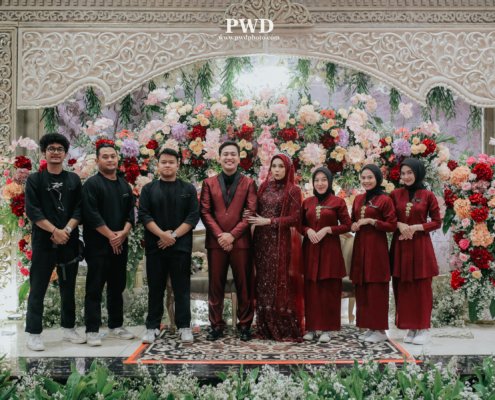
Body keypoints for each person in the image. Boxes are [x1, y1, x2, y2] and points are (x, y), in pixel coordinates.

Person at [24, 133, 86, 351]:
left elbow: (80, 209)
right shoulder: (35, 180)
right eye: (51, 148)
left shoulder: (73, 180)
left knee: (68, 287)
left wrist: (66, 230)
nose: (56, 152)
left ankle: (68, 329)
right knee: (38, 287)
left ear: (65, 153)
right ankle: (33, 333)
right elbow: (33, 211)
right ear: (44, 153)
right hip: (44, 242)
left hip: (69, 240)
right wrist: (54, 231)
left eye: (60, 149)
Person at [138, 148, 199, 344]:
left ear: (178, 164)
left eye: (171, 162)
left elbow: (193, 216)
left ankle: (184, 326)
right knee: (155, 288)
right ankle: (152, 327)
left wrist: (172, 235)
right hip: (155, 246)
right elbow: (144, 215)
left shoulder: (188, 189)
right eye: (163, 162)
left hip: (180, 247)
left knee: (182, 288)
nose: (167, 165)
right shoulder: (148, 189)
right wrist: (162, 235)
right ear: (157, 164)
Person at [199, 141, 257, 341]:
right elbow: (205, 212)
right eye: (225, 154)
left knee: (244, 285)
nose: (229, 157)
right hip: (216, 243)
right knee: (215, 285)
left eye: (233, 154)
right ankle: (216, 325)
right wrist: (220, 235)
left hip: (241, 243)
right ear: (219, 158)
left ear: (239, 158)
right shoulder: (209, 183)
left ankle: (245, 325)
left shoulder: (249, 183)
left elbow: (250, 213)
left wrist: (232, 235)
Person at [82, 141, 135, 346]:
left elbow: (131, 213)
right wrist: (111, 236)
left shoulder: (124, 185)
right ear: (97, 160)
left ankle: (116, 325)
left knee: (117, 286)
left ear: (117, 159)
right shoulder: (92, 185)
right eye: (105, 157)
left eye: (113, 156)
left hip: (120, 244)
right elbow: (91, 214)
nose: (110, 160)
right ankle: (92, 330)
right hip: (98, 246)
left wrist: (124, 232)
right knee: (94, 287)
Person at [247, 153, 303, 341]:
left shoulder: (293, 190)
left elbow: (295, 218)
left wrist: (270, 221)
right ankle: (264, 326)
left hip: (279, 242)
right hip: (261, 242)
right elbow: (256, 210)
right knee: (263, 282)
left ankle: (283, 326)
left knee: (279, 281)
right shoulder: (264, 187)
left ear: (288, 169)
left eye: (281, 166)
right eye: (274, 166)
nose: (277, 170)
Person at [390, 158, 441, 345]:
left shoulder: (428, 195)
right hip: (400, 246)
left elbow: (437, 222)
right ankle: (411, 327)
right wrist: (400, 225)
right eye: (403, 173)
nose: (406, 176)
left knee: (421, 287)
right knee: (403, 287)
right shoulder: (395, 194)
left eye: (410, 173)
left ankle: (423, 328)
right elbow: (388, 219)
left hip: (420, 246)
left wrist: (417, 227)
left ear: (418, 173)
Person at [301, 167, 351, 343]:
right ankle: (312, 327)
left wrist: (328, 229)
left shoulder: (338, 202)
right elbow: (299, 224)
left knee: (329, 289)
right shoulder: (307, 202)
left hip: (330, 251)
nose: (320, 183)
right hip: (311, 249)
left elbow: (347, 225)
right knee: (311, 289)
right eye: (316, 180)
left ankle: (327, 329)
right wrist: (307, 231)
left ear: (329, 182)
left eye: (323, 180)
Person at [350, 164, 397, 343]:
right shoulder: (358, 199)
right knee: (363, 287)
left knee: (377, 287)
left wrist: (372, 221)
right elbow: (352, 220)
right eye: (363, 178)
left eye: (370, 177)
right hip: (360, 247)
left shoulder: (385, 200)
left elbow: (392, 225)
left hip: (376, 249)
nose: (366, 181)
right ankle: (370, 327)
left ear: (377, 178)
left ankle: (380, 330)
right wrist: (353, 225)